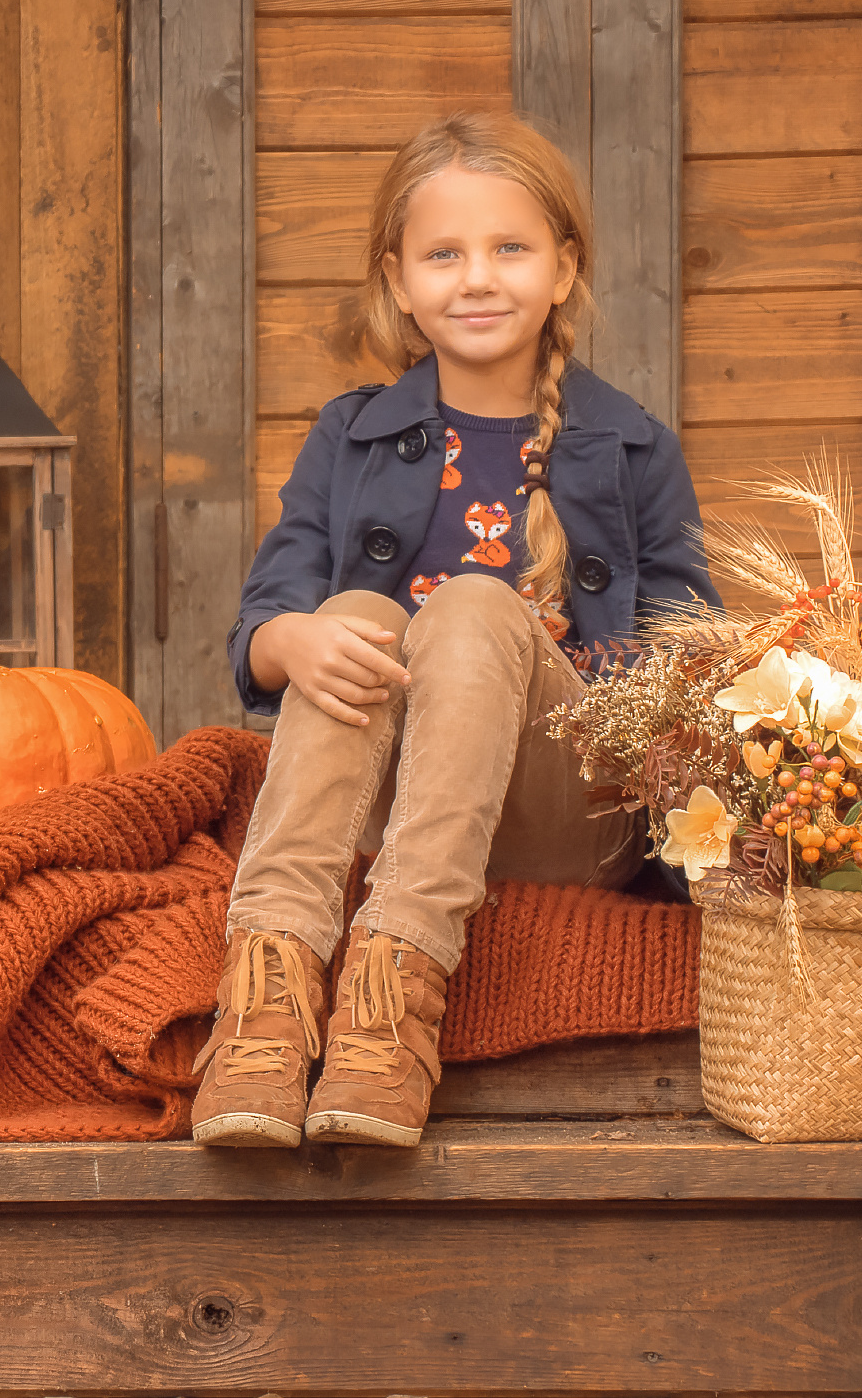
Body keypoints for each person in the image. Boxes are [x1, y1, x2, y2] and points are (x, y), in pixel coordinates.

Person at [190, 110, 717, 1149]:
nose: (476, 278)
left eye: (509, 248)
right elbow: (260, 627)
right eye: (443, 254)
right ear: (398, 280)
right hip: (395, 796)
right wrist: (292, 643)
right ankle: (266, 997)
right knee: (345, 613)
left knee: (476, 603)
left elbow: (692, 654)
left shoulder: (631, 449)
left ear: (564, 268)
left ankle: (394, 998)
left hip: (572, 801)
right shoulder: (350, 438)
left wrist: (530, 656)